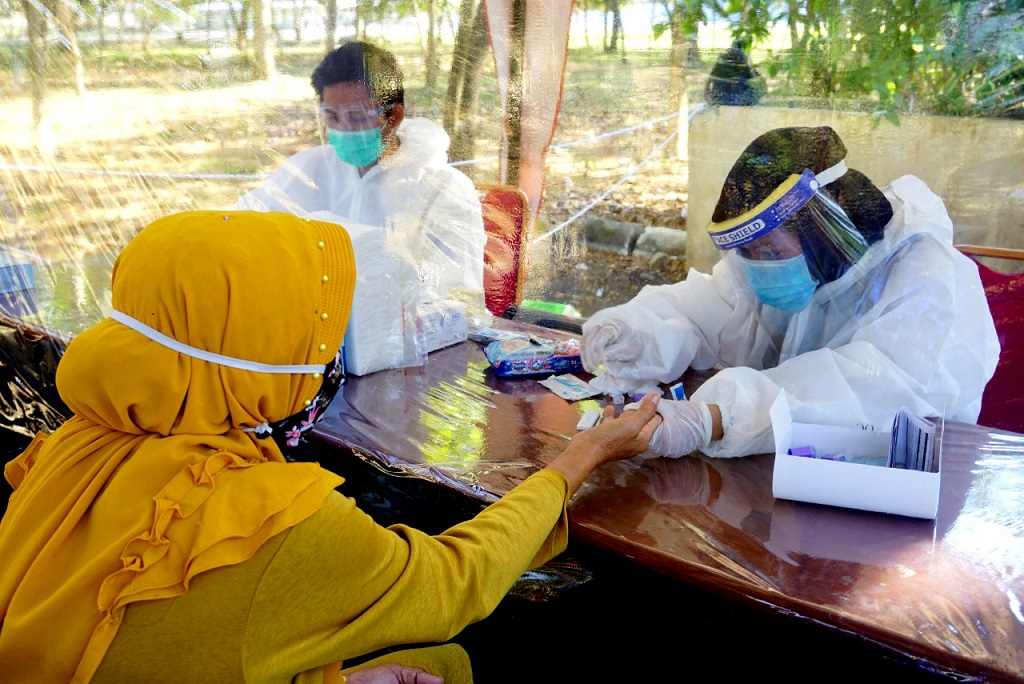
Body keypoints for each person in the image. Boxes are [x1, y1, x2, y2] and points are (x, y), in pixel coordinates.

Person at [0, 210, 661, 682]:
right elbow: (454, 582)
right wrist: (581, 458)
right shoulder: (265, 519)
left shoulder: (75, 445)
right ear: (251, 356)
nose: (323, 358)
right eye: (309, 337)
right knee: (446, 664)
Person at [582, 126, 1000, 459]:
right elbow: (708, 307)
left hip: (898, 498)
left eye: (768, 249)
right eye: (748, 252)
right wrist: (634, 330)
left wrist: (715, 416)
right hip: (780, 481)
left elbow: (873, 390)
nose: (760, 265)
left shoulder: (923, 273)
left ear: (819, 233)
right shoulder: (799, 266)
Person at [236, 41, 487, 311]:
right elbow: (243, 231)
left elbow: (459, 301)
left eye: (357, 117)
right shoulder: (309, 169)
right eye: (332, 117)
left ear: (394, 117)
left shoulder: (443, 189)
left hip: (403, 338)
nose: (344, 129)